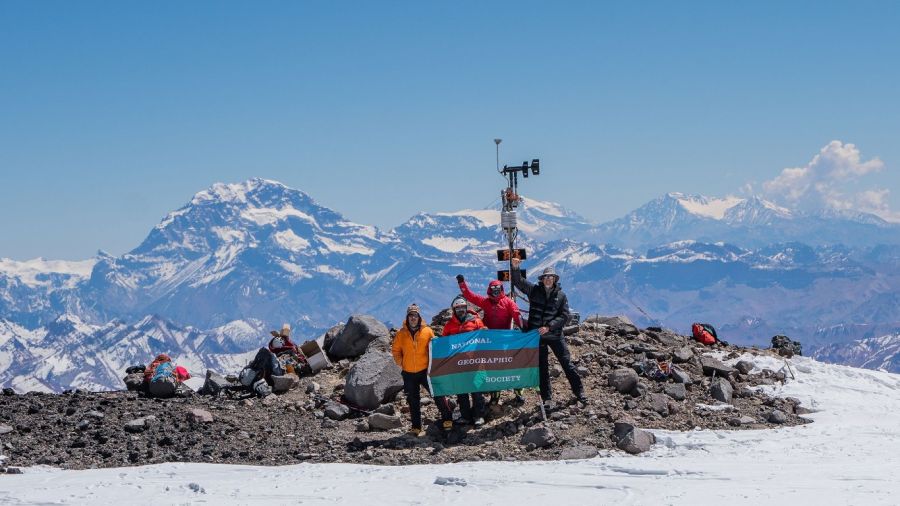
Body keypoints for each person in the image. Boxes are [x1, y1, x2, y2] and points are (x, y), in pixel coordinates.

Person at [511, 258, 586, 408]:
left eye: (550, 277)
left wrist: (549, 327)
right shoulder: (534, 291)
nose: (548, 279)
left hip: (555, 336)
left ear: (555, 279)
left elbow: (565, 316)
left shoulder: (561, 296)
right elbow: (518, 282)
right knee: (542, 368)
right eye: (545, 277)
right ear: (542, 279)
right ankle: (547, 399)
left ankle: (580, 393)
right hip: (537, 337)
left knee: (567, 364)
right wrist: (515, 267)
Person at [456, 274, 524, 404]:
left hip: (505, 341)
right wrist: (462, 284)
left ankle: (518, 393)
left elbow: (517, 315)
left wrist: (523, 329)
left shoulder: (509, 302)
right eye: (493, 290)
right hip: (489, 342)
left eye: (498, 289)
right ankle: (495, 396)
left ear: (502, 289)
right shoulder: (485, 302)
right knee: (492, 368)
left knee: (512, 365)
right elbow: (470, 296)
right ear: (489, 290)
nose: (496, 292)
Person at [391, 304, 453, 436]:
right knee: (413, 401)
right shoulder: (401, 334)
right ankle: (416, 427)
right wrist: (401, 362)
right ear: (407, 318)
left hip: (425, 371)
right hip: (408, 373)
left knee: (437, 393)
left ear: (419, 317)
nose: (413, 318)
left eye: (415, 315)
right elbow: (396, 350)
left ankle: (447, 419)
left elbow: (434, 346)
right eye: (410, 316)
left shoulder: (427, 331)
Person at [442, 295, 487, 427]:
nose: (460, 310)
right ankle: (466, 416)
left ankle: (479, 415)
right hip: (458, 363)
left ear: (466, 308)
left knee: (477, 389)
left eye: (462, 307)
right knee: (462, 391)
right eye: (458, 308)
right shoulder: (449, 325)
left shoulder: (476, 321)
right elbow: (444, 342)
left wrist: (485, 331)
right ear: (454, 310)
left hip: (475, 361)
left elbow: (484, 338)